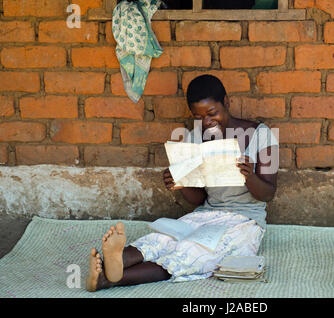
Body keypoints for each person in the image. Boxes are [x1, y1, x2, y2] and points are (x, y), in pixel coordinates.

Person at [86, 74, 279, 291]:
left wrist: (250, 176)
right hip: (205, 215)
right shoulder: (194, 139)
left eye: (212, 113)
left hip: (244, 220)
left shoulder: (261, 135)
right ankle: (112, 260)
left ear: (226, 102)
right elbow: (198, 199)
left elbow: (268, 194)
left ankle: (107, 278)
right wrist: (181, 183)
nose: (207, 122)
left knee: (191, 251)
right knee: (162, 239)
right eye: (199, 117)